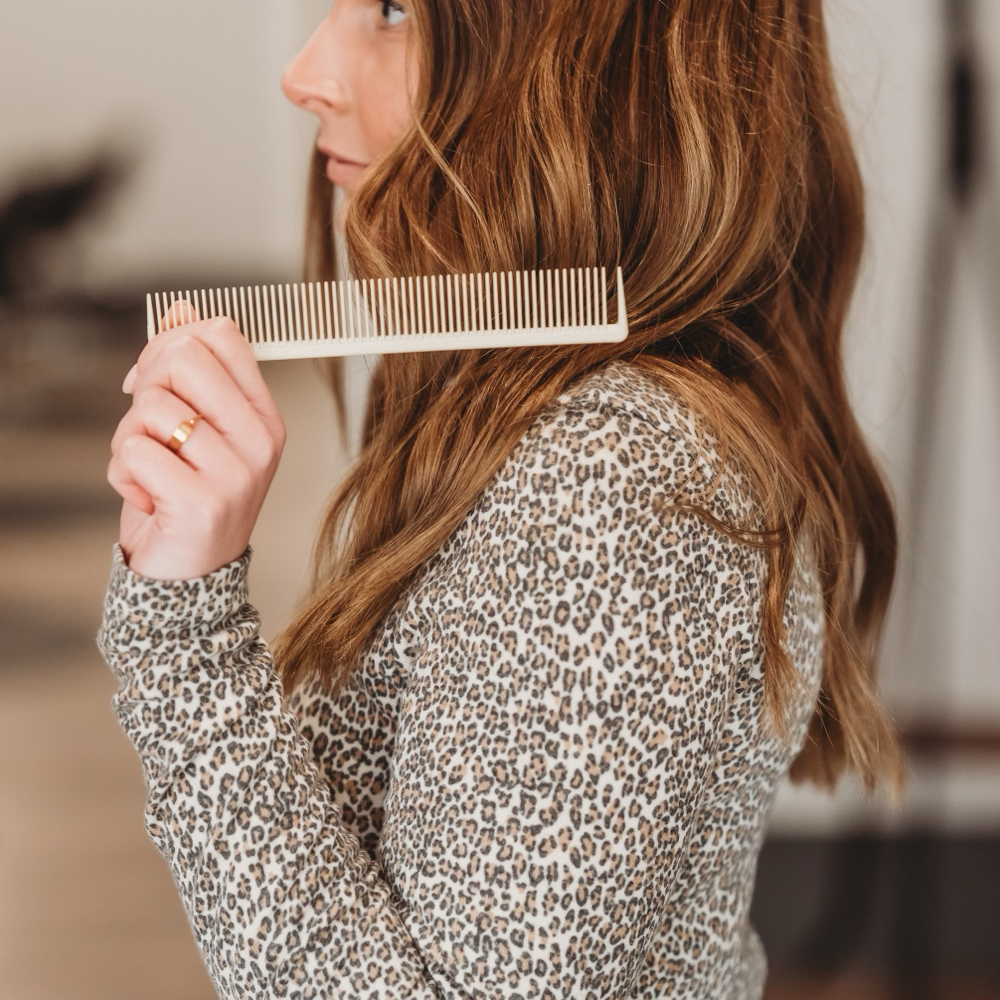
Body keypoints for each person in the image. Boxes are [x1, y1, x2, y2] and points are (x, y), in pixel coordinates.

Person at [97, 0, 903, 996]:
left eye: (391, 10)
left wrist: (185, 641)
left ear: (598, 58)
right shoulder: (546, 434)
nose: (305, 72)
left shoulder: (614, 484)